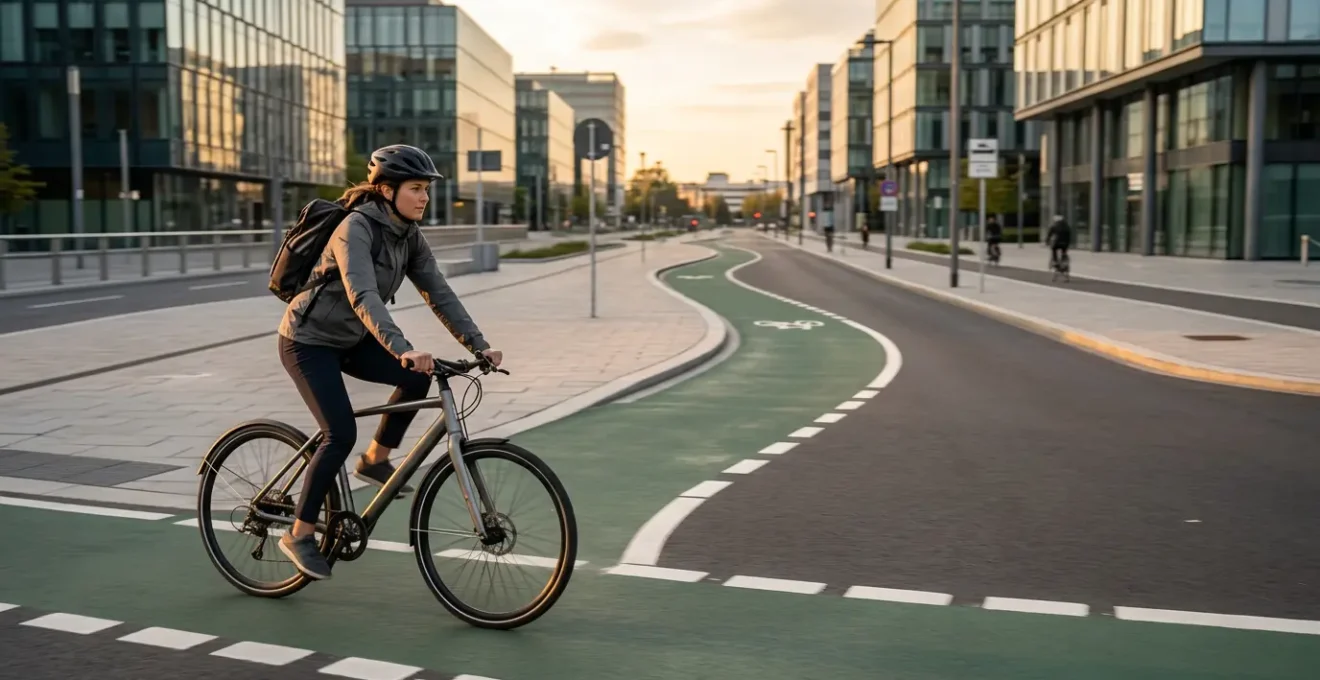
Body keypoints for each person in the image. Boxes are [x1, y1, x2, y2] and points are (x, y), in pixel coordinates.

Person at [275, 144, 502, 580]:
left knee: (419, 378)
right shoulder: (354, 228)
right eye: (416, 188)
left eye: (426, 190)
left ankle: (374, 460)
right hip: (307, 339)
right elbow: (364, 295)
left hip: (352, 338)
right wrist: (401, 347)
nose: (424, 198)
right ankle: (299, 534)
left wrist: (479, 344)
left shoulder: (409, 235)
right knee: (339, 432)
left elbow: (439, 292)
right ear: (386, 190)